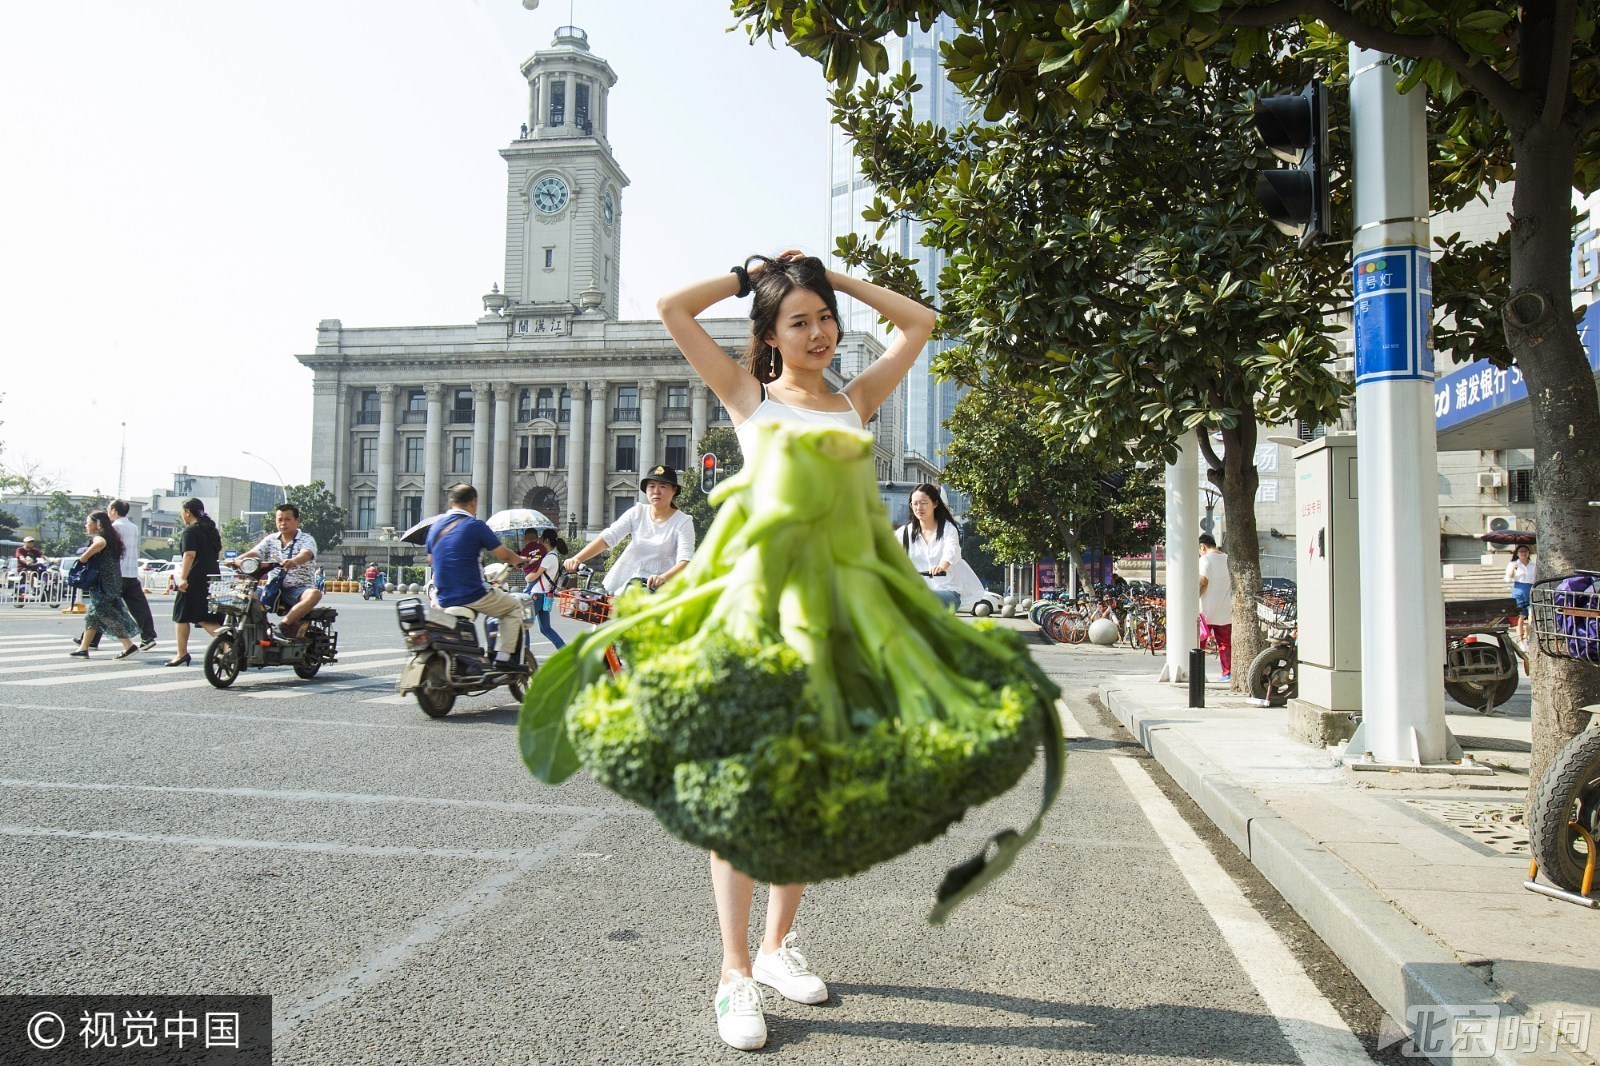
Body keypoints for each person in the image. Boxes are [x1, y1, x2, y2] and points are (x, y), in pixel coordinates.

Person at [657, 250, 935, 1051]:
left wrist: (832, 278)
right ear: (771, 336)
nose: (819, 333)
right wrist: (749, 278)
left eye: (825, 320)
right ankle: (734, 972)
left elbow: (920, 323)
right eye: (799, 321)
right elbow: (674, 309)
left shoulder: (855, 403)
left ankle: (777, 949)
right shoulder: (750, 398)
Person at [426, 482, 534, 669]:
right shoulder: (475, 525)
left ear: (451, 502)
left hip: (443, 596)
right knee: (513, 607)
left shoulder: (435, 528)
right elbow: (504, 555)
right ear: (473, 503)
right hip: (472, 593)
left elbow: (431, 559)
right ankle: (504, 658)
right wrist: (519, 559)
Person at [563, 465, 694, 595]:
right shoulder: (637, 512)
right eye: (651, 486)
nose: (656, 491)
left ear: (674, 490)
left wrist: (664, 577)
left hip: (661, 592)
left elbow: (685, 560)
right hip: (626, 587)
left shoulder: (683, 521)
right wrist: (577, 559)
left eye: (663, 486)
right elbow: (608, 538)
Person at [233, 503, 323, 638]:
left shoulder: (307, 539)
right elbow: (255, 553)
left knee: (315, 594)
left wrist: (294, 561)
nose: (283, 523)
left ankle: (282, 626)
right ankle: (262, 629)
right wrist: (235, 560)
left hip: (298, 589)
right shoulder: (271, 539)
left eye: (287, 519)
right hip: (272, 588)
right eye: (280, 520)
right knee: (244, 592)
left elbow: (306, 554)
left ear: (297, 520)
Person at [83, 500, 158, 652]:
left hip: (116, 573)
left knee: (105, 607)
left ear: (114, 511)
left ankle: (96, 641)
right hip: (131, 571)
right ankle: (147, 636)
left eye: (109, 509)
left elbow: (105, 547)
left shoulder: (114, 528)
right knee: (138, 607)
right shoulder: (133, 527)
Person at [69, 511, 141, 660]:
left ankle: (128, 645)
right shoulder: (113, 537)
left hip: (103, 583)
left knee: (106, 613)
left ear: (96, 524)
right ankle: (83, 648)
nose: (86, 526)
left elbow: (100, 544)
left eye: (88, 523)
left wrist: (83, 558)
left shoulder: (99, 537)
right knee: (94, 615)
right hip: (113, 580)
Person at [168, 498, 223, 666]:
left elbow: (189, 555)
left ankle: (182, 653)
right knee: (207, 617)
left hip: (196, 579)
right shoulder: (211, 530)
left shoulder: (190, 531)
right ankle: (228, 645)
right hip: (213, 578)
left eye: (182, 512)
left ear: (187, 512)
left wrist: (183, 578)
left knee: (182, 615)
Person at [895, 484, 963, 610]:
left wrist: (941, 567)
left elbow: (951, 551)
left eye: (924, 503)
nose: (919, 508)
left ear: (935, 504)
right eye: (915, 504)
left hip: (946, 591)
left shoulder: (948, 529)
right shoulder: (904, 533)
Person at [1198, 532, 1233, 682]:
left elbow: (1203, 581)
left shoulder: (1205, 559)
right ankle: (1227, 673)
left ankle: (1197, 672)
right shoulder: (1228, 559)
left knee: (1199, 643)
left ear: (1202, 547)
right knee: (1225, 643)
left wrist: (1195, 597)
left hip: (1205, 610)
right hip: (1225, 609)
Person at [526, 527, 567, 651]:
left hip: (537, 595)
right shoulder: (553, 556)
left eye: (541, 538)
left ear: (547, 541)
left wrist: (526, 570)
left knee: (523, 625)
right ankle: (564, 651)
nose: (539, 541)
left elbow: (532, 577)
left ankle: (524, 655)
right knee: (545, 628)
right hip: (544, 596)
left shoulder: (549, 558)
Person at [1505, 543, 1536, 641]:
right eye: (1521, 551)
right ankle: (1520, 639)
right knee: (1520, 617)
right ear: (1517, 553)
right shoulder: (1513, 564)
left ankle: (1526, 636)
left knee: (1531, 616)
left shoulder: (1533, 565)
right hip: (1519, 590)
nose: (1523, 553)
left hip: (1530, 590)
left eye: (1525, 551)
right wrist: (1513, 569)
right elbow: (1508, 578)